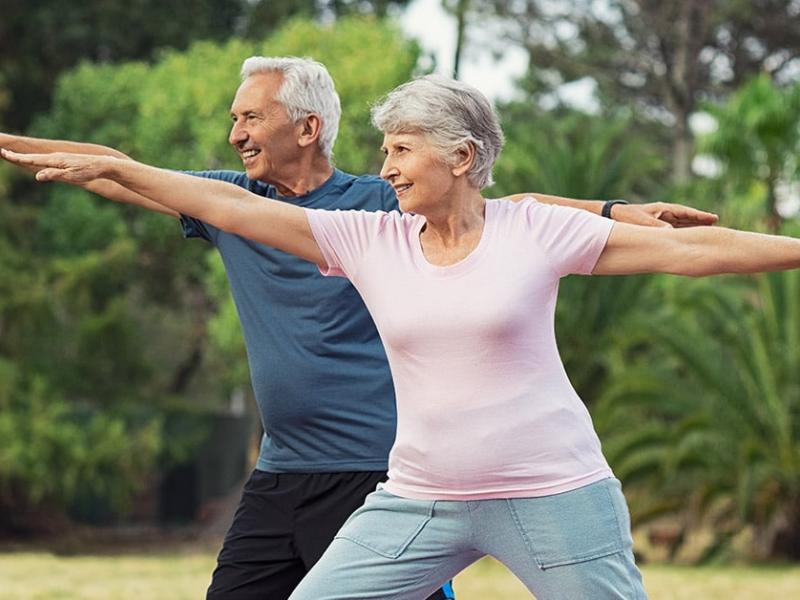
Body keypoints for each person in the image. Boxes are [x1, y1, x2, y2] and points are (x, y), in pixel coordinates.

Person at [1, 60, 718, 600]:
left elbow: (509, 208)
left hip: (378, 474)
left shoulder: (384, 206)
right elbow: (118, 172)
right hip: (282, 472)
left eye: (251, 117)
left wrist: (617, 210)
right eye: (234, 120)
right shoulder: (233, 204)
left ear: (307, 127)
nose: (236, 134)